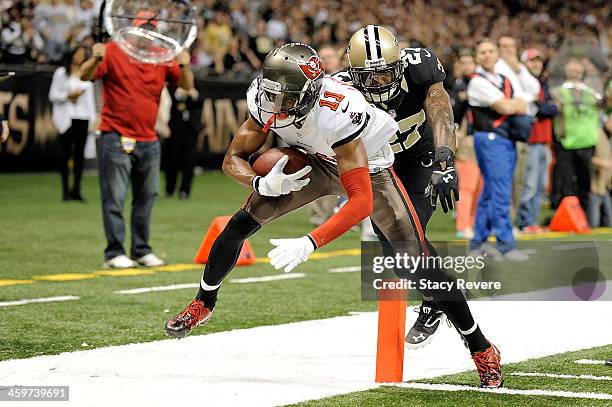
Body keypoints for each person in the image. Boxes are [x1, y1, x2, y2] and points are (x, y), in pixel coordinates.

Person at [166, 43, 504, 389]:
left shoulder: (339, 110)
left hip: (368, 169)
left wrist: (309, 242)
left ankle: (481, 346)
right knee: (240, 223)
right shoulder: (267, 95)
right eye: (273, 93)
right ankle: (203, 302)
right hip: (314, 159)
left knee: (415, 259)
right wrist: (260, 181)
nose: (276, 104)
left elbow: (359, 202)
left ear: (310, 92)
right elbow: (232, 158)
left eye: (287, 96)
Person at [335, 26, 461, 350]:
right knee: (396, 254)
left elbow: (441, 109)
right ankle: (434, 295)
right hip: (380, 167)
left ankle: (437, 302)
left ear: (400, 65)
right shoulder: (341, 89)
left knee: (411, 232)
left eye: (385, 74)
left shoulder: (420, 67)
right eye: (369, 77)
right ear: (353, 74)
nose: (378, 83)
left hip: (421, 155)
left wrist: (445, 159)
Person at [78, 12, 195, 269]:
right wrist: (94, 58)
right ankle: (114, 252)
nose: (147, 33)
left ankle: (141, 249)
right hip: (114, 135)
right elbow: (84, 76)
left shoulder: (161, 55)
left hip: (148, 138)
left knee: (147, 196)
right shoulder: (112, 51)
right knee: (115, 198)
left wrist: (184, 64)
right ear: (131, 29)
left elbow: (186, 85)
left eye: (151, 28)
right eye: (144, 28)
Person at [467, 39, 530, 261]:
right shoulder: (477, 82)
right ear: (477, 57)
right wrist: (514, 103)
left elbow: (526, 100)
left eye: (490, 51)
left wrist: (515, 103)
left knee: (490, 192)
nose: (486, 55)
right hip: (491, 139)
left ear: (496, 55)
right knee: (501, 191)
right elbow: (506, 106)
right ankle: (505, 245)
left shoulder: (503, 78)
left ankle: (478, 242)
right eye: (482, 51)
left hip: (505, 140)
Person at [515, 49, 559, 232]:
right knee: (529, 185)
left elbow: (552, 109)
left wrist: (544, 107)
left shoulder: (543, 84)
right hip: (530, 141)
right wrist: (545, 107)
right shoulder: (521, 84)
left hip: (544, 141)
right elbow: (542, 109)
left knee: (540, 186)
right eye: (532, 61)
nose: (536, 64)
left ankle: (532, 221)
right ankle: (524, 222)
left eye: (538, 61)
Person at [552, 60, 602, 214]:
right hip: (567, 142)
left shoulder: (590, 92)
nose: (574, 72)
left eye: (577, 69)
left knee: (585, 183)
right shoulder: (559, 91)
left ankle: (585, 218)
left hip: (587, 141)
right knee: (566, 184)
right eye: (571, 69)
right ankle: (567, 218)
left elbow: (602, 103)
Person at [49, 46, 97, 202]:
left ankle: (76, 189)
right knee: (65, 154)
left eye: (82, 55)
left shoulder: (86, 72)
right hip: (67, 117)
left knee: (79, 155)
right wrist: (67, 96)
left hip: (83, 117)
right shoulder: (61, 74)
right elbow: (53, 95)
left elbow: (90, 99)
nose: (79, 57)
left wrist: (93, 118)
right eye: (77, 54)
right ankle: (65, 191)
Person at [164, 87, 202, 199]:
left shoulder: (193, 93)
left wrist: (194, 95)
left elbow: (200, 103)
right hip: (174, 133)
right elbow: (168, 106)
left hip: (190, 133)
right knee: (171, 161)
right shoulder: (172, 92)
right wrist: (178, 95)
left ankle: (184, 191)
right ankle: (169, 189)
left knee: (189, 162)